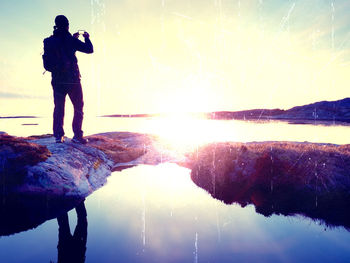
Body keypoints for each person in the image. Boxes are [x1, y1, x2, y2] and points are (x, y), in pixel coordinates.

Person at [44, 15, 93, 144]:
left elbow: (53, 56)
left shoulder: (48, 41)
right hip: (72, 80)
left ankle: (58, 136)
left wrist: (73, 40)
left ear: (55, 25)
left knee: (59, 108)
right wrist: (86, 38)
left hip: (57, 80)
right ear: (67, 25)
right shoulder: (71, 40)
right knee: (78, 107)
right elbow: (89, 49)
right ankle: (77, 135)